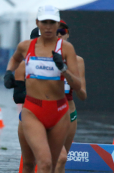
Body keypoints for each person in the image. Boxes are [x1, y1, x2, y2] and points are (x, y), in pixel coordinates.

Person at [5, 5, 81, 172]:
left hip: (62, 112)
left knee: (58, 161)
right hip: (32, 112)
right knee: (34, 164)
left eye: (52, 24)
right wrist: (11, 78)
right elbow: (18, 96)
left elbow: (80, 89)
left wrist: (63, 70)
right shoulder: (25, 56)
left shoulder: (70, 56)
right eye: (44, 23)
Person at [55, 20, 87, 173]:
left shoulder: (77, 61)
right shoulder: (42, 56)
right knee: (58, 158)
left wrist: (72, 80)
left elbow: (83, 94)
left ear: (67, 35)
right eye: (56, 33)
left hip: (70, 114)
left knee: (62, 160)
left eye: (62, 33)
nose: (59, 36)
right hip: (49, 112)